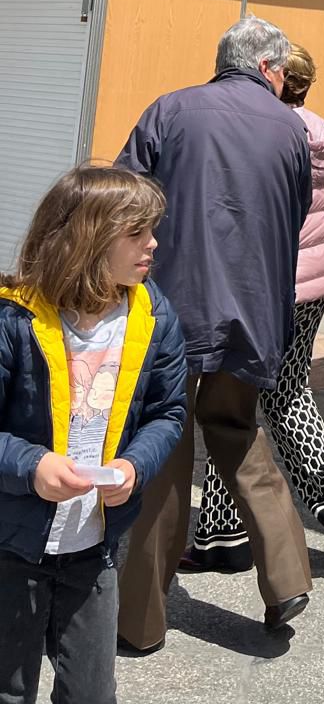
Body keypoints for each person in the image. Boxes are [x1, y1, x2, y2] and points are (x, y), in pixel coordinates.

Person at [114, 14, 314, 651]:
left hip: (173, 306)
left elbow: (121, 197)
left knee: (163, 444)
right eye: (282, 73)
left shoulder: (171, 110)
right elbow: (299, 211)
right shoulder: (291, 130)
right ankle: (286, 576)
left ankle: (141, 621)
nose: (284, 83)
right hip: (255, 311)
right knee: (234, 428)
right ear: (267, 68)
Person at [0, 165, 188, 704]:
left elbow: (167, 412)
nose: (153, 244)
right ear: (87, 237)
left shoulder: (154, 316)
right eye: (137, 232)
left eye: (152, 230)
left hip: (95, 546)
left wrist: (135, 467)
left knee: (90, 692)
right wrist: (31, 465)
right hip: (11, 544)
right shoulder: (15, 319)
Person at [183, 44, 324, 571]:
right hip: (316, 282)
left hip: (271, 287)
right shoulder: (319, 129)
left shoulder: (268, 130)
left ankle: (230, 531)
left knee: (235, 399)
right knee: (283, 391)